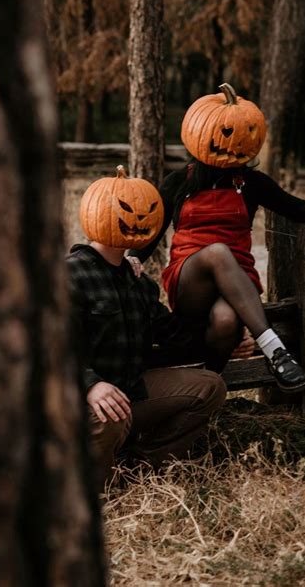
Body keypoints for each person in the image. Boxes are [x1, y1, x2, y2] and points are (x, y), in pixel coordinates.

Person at [129, 84, 305, 392]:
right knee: (216, 252)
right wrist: (133, 258)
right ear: (199, 133)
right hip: (190, 280)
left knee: (227, 320)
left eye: (244, 133)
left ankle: (206, 389)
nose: (234, 143)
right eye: (225, 133)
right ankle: (275, 350)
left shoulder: (253, 184)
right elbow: (152, 231)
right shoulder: (178, 183)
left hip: (237, 281)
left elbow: (293, 205)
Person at [67, 169, 227, 490]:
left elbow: (173, 336)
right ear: (97, 213)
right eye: (127, 211)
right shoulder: (69, 274)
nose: (140, 218)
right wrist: (90, 385)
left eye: (149, 211)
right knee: (109, 414)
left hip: (129, 392)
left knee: (209, 387)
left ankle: (138, 468)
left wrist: (222, 336)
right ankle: (94, 488)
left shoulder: (139, 282)